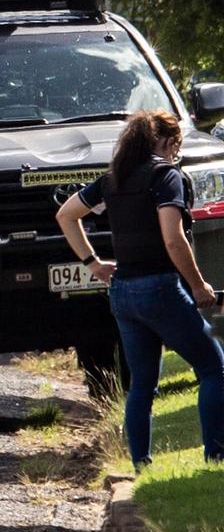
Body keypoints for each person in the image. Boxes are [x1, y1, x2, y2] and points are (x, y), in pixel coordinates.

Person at [56, 110, 224, 468]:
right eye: (175, 143)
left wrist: (93, 264)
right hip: (161, 288)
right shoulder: (166, 176)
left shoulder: (112, 179)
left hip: (122, 293)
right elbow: (173, 239)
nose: (176, 151)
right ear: (164, 141)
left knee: (142, 384)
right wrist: (198, 285)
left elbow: (66, 215)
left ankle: (140, 466)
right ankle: (216, 458)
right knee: (213, 369)